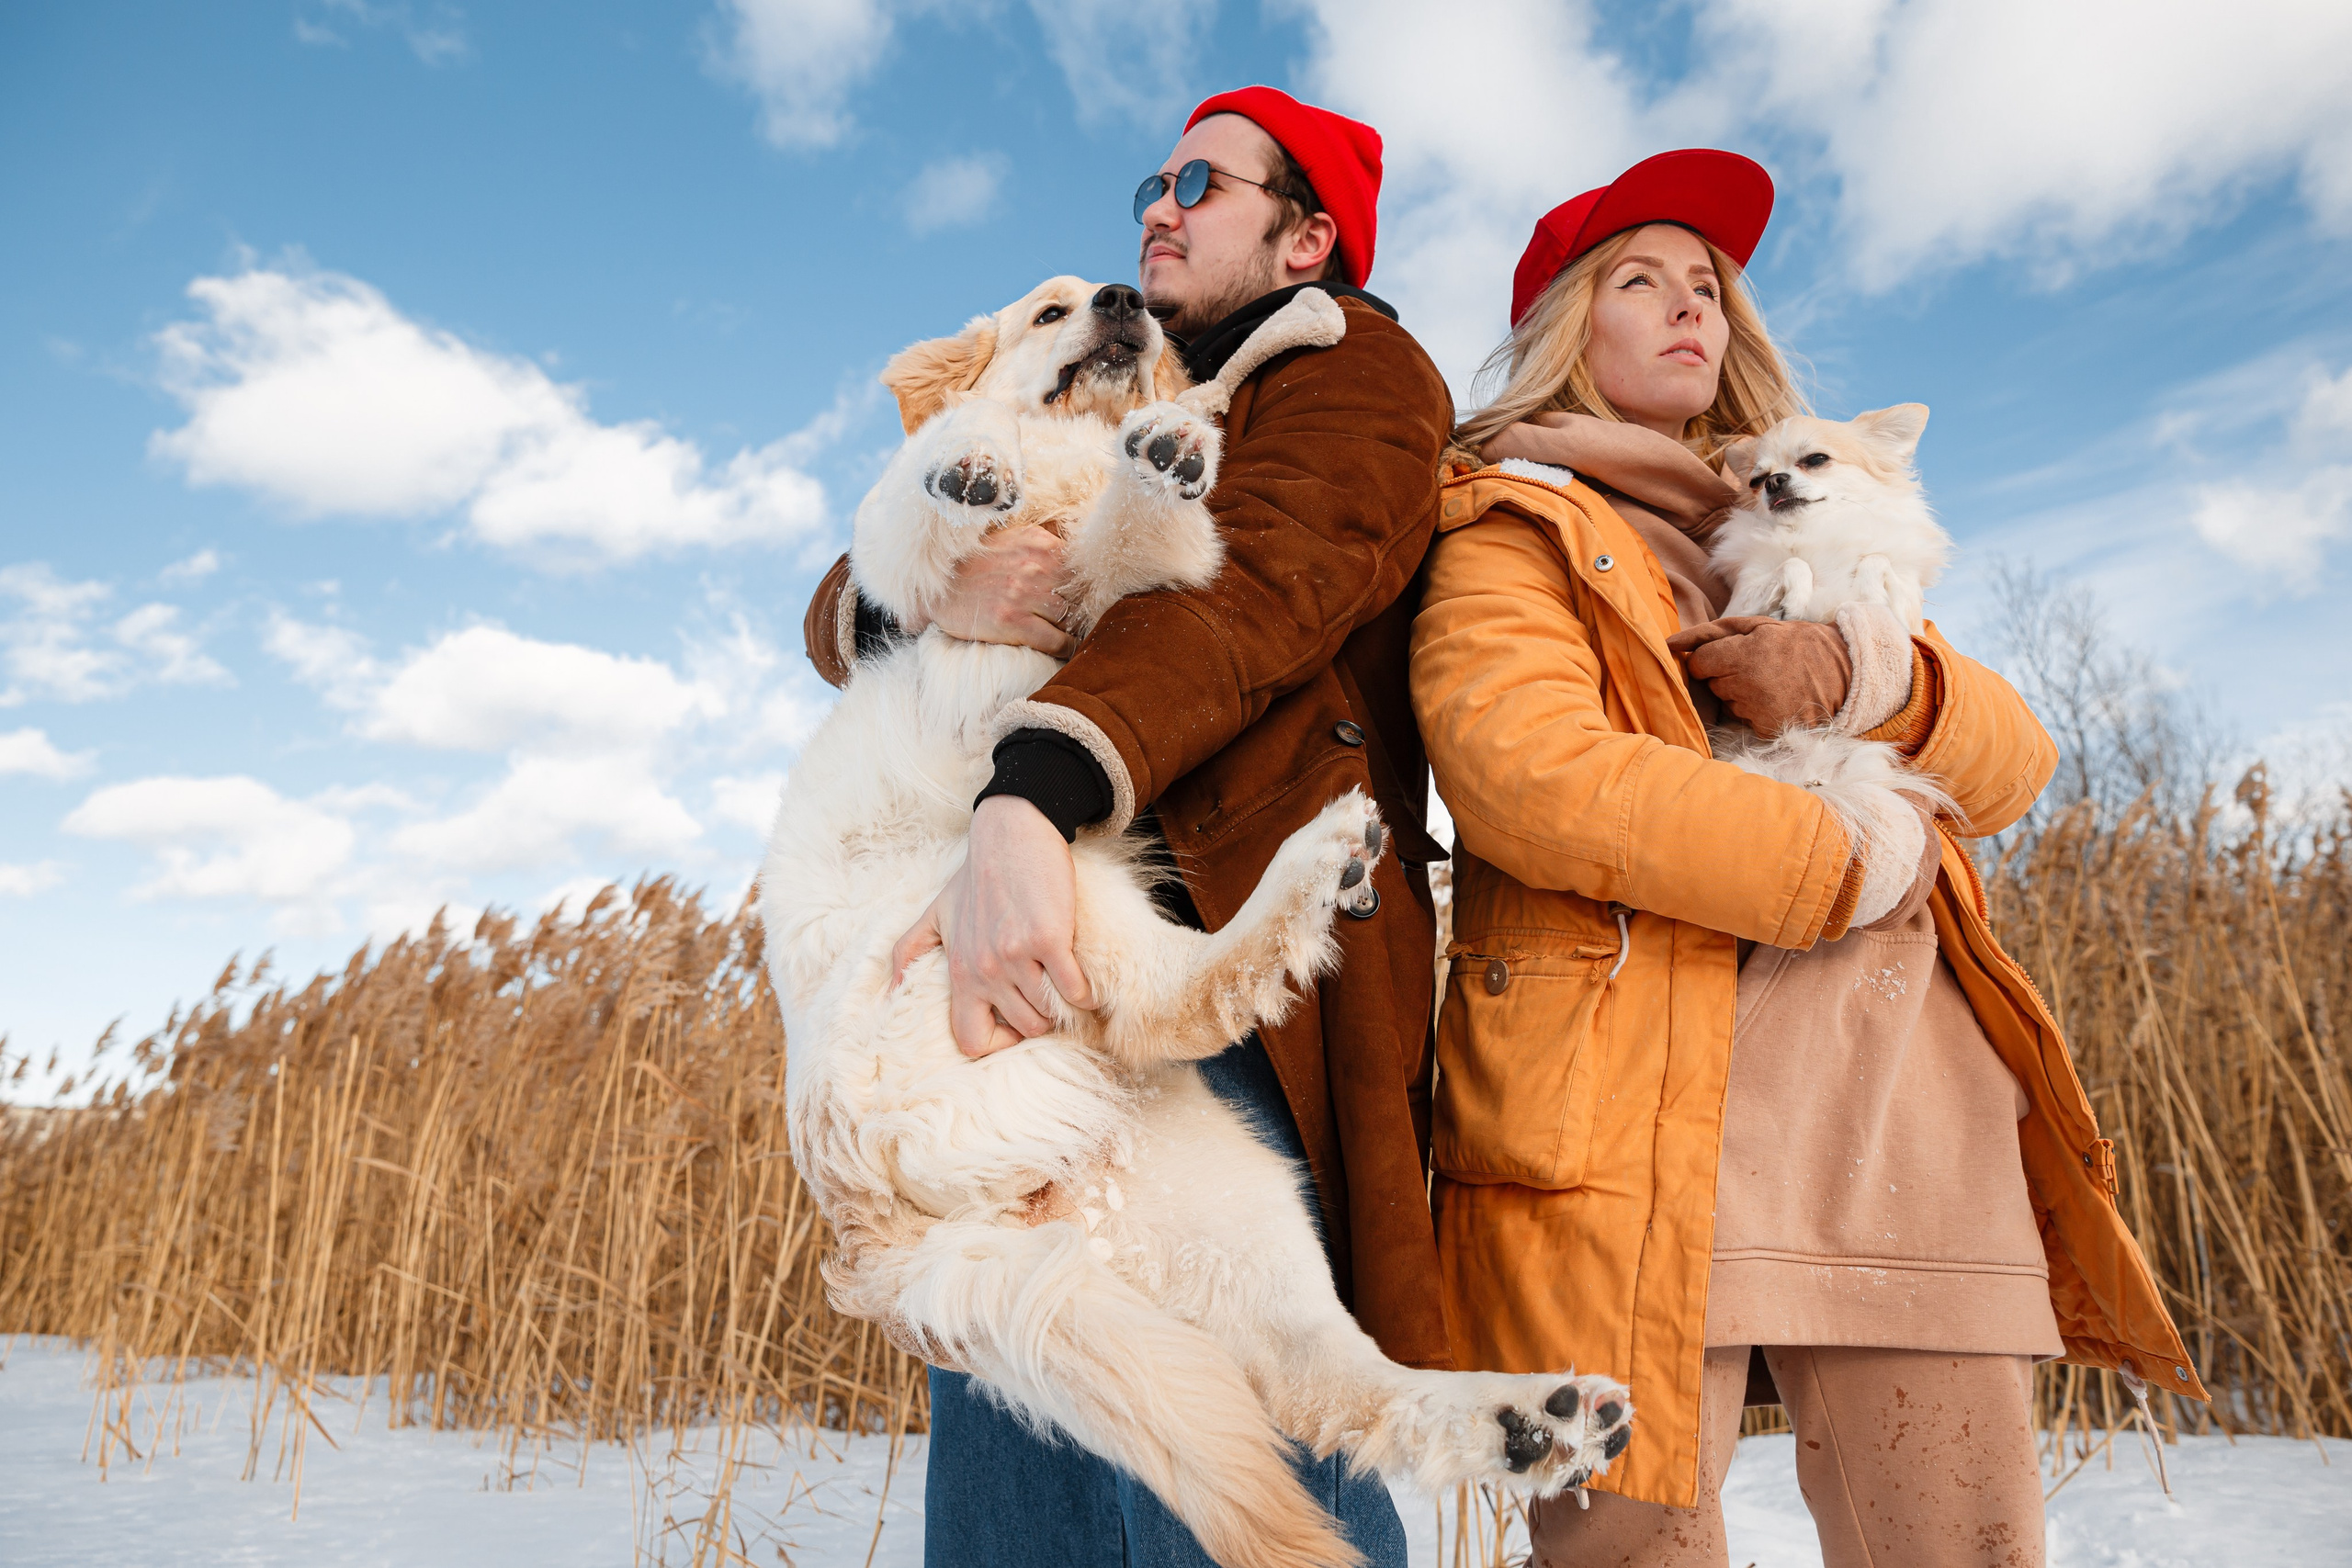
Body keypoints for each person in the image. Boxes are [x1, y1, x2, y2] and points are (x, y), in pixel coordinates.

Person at [1409, 150, 2203, 1567]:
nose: (1685, 306)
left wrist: (1854, 674)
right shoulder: (1508, 521)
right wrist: (1848, 858)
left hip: (1900, 1095)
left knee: (1963, 1543)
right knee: (1629, 1549)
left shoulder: (1820, 510)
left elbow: (2014, 762)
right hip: (1635, 1105)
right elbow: (1532, 782)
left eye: (1705, 285)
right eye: (1635, 281)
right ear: (1563, 327)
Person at [797, 86, 1453, 1567]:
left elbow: (1243, 603)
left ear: (1306, 241)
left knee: (1222, 1440)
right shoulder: (1112, 395)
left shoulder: (1350, 372)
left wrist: (1031, 795)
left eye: (1205, 185)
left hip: (1212, 943)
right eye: (1156, 179)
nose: (1159, 205)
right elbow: (855, 589)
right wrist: (912, 593)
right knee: (1024, 1407)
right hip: (1023, 935)